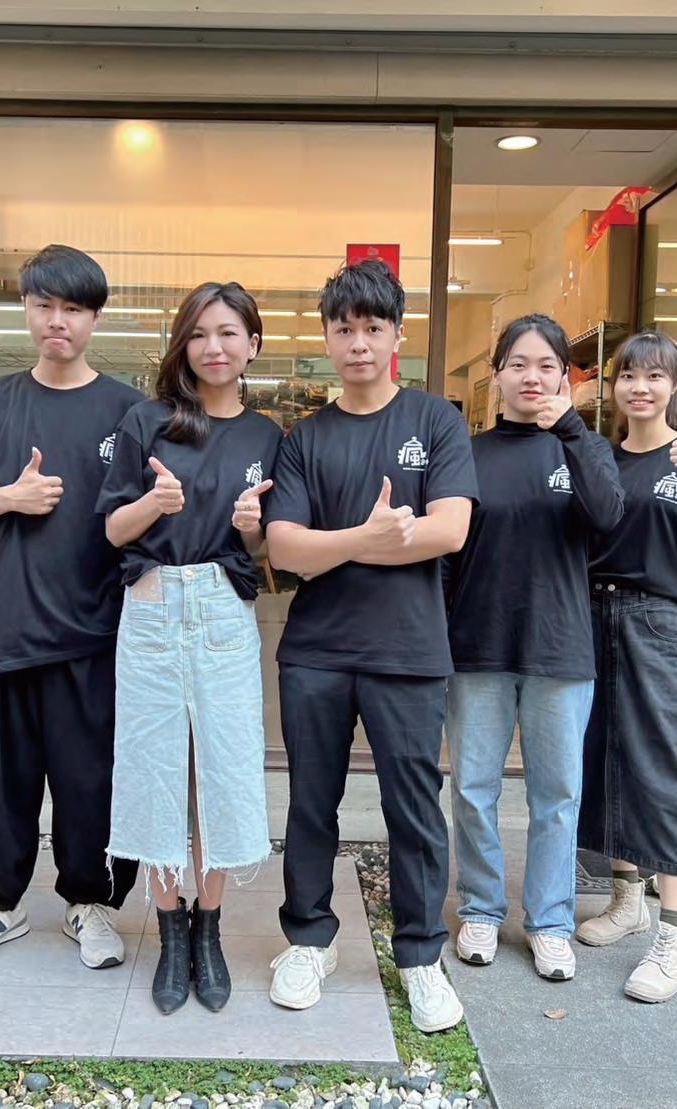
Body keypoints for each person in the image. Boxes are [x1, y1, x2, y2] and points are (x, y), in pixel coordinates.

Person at [263, 259, 477, 1034]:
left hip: (408, 652)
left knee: (413, 807)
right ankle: (308, 939)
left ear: (396, 334)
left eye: (372, 328)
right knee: (309, 801)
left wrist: (337, 545)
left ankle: (419, 955)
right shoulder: (305, 438)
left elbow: (449, 529)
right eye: (343, 328)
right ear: (326, 337)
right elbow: (284, 549)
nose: (357, 343)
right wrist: (370, 535)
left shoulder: (435, 421)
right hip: (316, 651)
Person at [0, 245, 140, 971]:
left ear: (94, 318)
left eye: (73, 308)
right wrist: (8, 497)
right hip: (4, 627)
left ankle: (91, 903)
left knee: (89, 783)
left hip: (93, 632)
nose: (57, 321)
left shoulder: (126, 411)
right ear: (25, 309)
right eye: (44, 305)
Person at [97, 281, 283, 1014]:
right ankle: (170, 929)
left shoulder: (266, 435)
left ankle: (210, 928)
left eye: (229, 332)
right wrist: (154, 503)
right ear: (182, 343)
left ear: (252, 345)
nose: (214, 347)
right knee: (155, 768)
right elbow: (111, 530)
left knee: (222, 769)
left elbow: (268, 553)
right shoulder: (147, 421)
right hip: (151, 604)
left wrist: (250, 531)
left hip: (223, 610)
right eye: (200, 333)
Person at [443, 314, 623, 980]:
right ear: (496, 375)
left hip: (559, 645)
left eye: (547, 365)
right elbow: (447, 554)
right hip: (478, 643)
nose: (532, 377)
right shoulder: (467, 453)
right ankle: (481, 908)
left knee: (557, 794)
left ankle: (549, 921)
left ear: (566, 377)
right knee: (473, 788)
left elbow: (608, 517)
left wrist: (570, 430)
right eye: (518, 364)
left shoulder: (585, 446)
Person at [576, 331, 677, 1003]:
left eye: (653, 376)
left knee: (666, 770)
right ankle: (626, 899)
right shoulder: (603, 458)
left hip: (660, 620)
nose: (639, 387)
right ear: (612, 386)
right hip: (592, 616)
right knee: (607, 758)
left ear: (674, 385)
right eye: (628, 375)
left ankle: (673, 936)